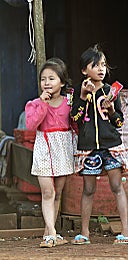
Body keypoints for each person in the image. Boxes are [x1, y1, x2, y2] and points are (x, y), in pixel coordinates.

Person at [70, 45, 128, 245]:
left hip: (111, 147)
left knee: (117, 187)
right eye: (95, 65)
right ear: (84, 70)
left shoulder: (111, 91)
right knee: (88, 190)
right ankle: (85, 232)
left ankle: (126, 231)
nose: (101, 69)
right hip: (89, 148)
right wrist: (82, 97)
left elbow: (119, 123)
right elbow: (75, 119)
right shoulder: (79, 92)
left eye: (103, 65)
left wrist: (113, 110)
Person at [25, 57, 74, 248]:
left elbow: (76, 123)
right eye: (43, 79)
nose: (46, 83)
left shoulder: (69, 103)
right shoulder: (34, 104)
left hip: (62, 147)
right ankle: (52, 232)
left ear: (62, 82)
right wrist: (43, 104)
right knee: (48, 191)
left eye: (52, 78)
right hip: (44, 148)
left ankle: (49, 232)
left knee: (58, 192)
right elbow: (31, 126)